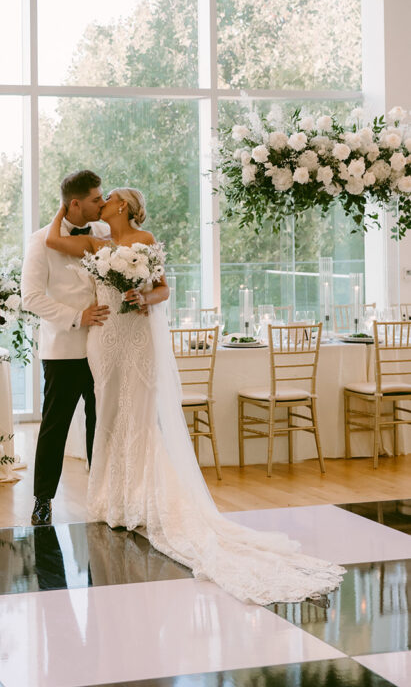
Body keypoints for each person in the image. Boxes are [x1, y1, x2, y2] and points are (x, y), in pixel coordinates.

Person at [45, 187, 345, 605]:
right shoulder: (98, 242)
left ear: (124, 207)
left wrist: (142, 296)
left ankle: (140, 500)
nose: (104, 201)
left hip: (136, 338)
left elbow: (163, 289)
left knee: (140, 417)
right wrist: (66, 199)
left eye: (109, 198)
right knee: (109, 415)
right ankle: (112, 499)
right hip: (104, 340)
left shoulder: (145, 243)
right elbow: (53, 240)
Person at [21, 169, 111, 526]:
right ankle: (43, 499)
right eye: (95, 199)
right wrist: (77, 316)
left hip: (104, 346)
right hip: (63, 349)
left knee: (100, 423)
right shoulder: (40, 241)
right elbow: (30, 297)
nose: (101, 204)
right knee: (54, 426)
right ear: (75, 204)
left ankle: (102, 495)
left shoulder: (104, 234)